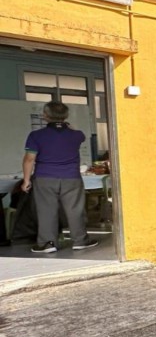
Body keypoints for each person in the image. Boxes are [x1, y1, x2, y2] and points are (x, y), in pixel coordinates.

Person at [22, 101, 98, 253]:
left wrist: (26, 180)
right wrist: (66, 125)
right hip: (71, 178)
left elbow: (29, 159)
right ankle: (80, 241)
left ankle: (47, 243)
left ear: (45, 116)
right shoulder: (77, 135)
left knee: (46, 210)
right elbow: (78, 133)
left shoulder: (36, 135)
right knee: (75, 210)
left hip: (45, 178)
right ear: (66, 115)